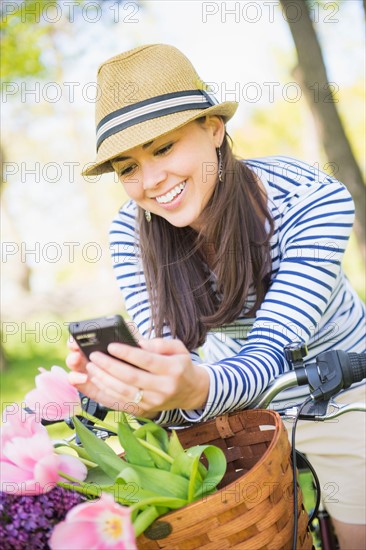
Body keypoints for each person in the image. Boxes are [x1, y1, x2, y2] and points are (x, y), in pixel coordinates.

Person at [66, 44, 366, 548]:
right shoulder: (130, 234)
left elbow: (272, 348)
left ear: (213, 128)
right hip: (234, 411)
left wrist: (193, 390)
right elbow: (176, 359)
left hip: (340, 391)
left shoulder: (313, 199)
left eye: (163, 148)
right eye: (127, 167)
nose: (151, 181)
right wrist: (145, 391)